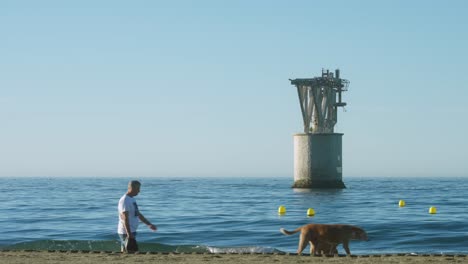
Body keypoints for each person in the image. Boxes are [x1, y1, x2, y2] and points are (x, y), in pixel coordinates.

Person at [117, 180, 157, 252]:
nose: (139, 191)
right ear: (131, 188)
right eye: (137, 189)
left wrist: (149, 224)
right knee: (127, 251)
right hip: (125, 232)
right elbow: (124, 218)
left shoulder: (132, 199)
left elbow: (137, 214)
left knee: (129, 251)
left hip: (132, 230)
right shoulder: (125, 200)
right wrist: (129, 234)